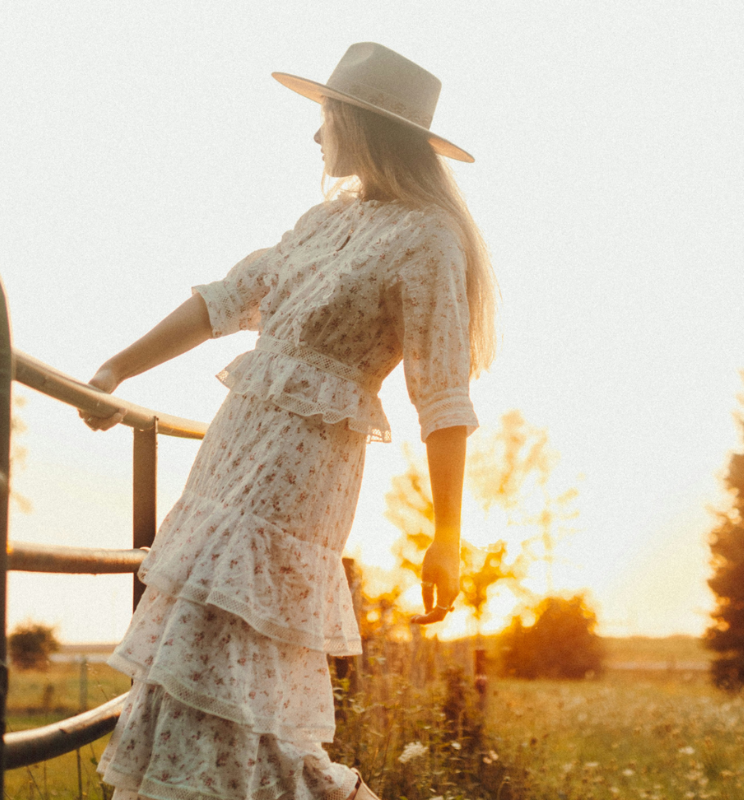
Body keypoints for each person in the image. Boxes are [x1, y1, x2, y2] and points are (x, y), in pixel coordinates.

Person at [79, 42, 496, 800]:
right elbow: (224, 300)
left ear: (365, 127)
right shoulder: (321, 221)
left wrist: (446, 536)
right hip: (231, 457)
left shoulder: (428, 238)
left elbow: (443, 398)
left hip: (301, 479)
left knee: (229, 661)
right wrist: (116, 369)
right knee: (190, 654)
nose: (316, 138)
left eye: (327, 119)